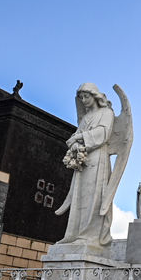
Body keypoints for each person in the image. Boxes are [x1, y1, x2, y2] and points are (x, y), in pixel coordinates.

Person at [56, 83, 116, 246]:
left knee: (94, 195)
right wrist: (75, 143)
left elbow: (102, 134)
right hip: (83, 159)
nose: (84, 100)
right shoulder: (86, 117)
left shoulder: (107, 113)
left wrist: (78, 139)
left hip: (97, 157)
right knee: (80, 195)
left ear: (95, 96)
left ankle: (90, 235)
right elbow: (75, 136)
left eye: (86, 96)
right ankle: (74, 234)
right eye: (81, 97)